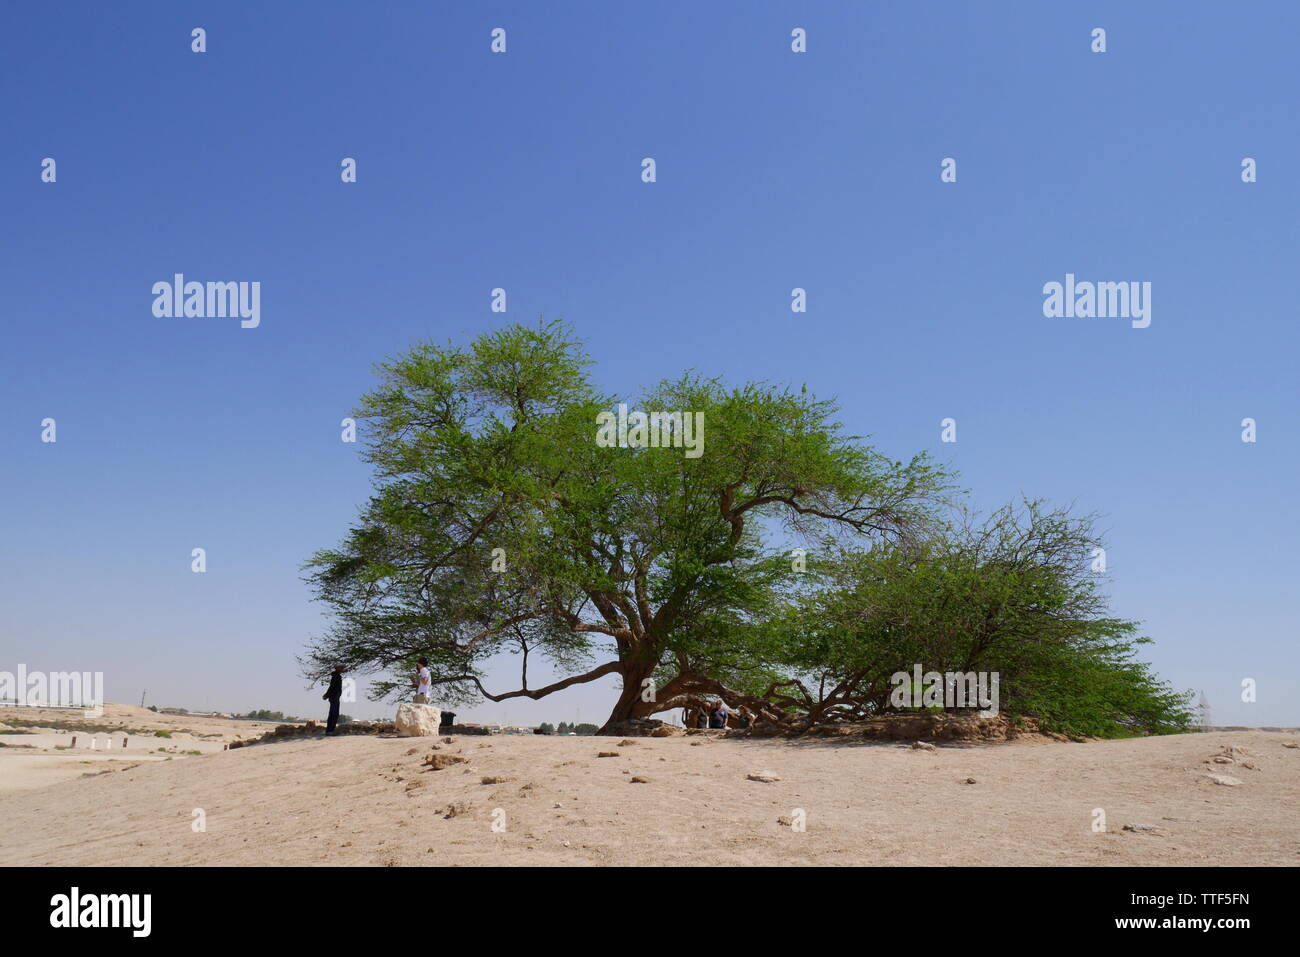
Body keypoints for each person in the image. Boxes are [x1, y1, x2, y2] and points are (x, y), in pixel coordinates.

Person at [322, 665, 344, 735]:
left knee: (332, 714)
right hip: (334, 697)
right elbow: (332, 687)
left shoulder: (336, 676)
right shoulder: (336, 676)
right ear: (337, 668)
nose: (342, 669)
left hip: (335, 697)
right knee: (334, 714)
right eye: (341, 668)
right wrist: (326, 695)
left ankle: (329, 730)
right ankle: (330, 731)